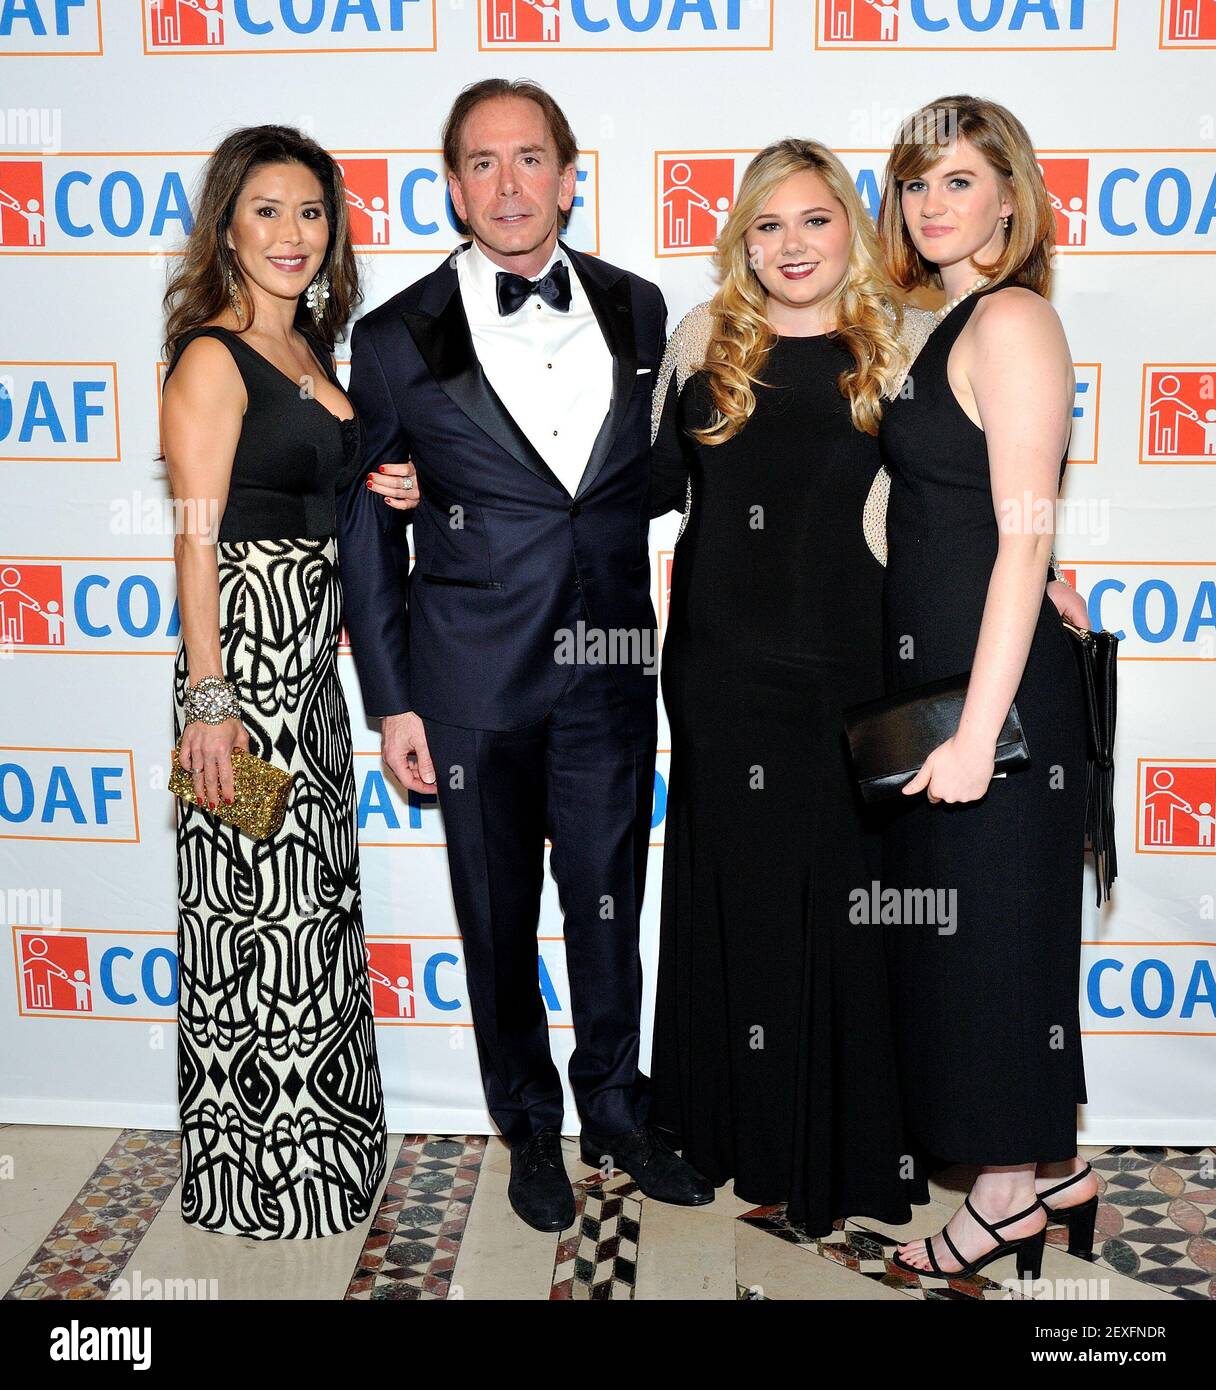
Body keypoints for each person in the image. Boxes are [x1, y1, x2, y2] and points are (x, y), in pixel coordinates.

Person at [336, 79, 711, 1233]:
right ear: (451, 184)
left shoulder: (639, 306)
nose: (509, 184)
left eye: (530, 158)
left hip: (607, 672)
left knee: (608, 905)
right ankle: (528, 1126)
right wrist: (393, 702)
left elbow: (649, 478)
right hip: (469, 686)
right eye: (483, 163)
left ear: (567, 171)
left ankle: (615, 1105)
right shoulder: (394, 337)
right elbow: (365, 522)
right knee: (496, 921)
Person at [875, 95, 1097, 1279]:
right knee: (979, 942)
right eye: (915, 183)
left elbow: (1016, 536)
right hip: (968, 686)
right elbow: (989, 515)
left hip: (994, 704)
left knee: (996, 946)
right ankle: (1057, 1173)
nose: (931, 204)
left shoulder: (1010, 318)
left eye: (959, 180)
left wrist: (974, 730)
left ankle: (1006, 1195)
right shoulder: (952, 317)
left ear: (1011, 195)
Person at [161, 125, 393, 1238]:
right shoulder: (212, 354)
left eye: (310, 212)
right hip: (243, 677)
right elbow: (197, 538)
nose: (292, 233)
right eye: (267, 209)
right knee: (250, 918)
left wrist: (383, 478)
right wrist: (212, 707)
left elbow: (323, 480)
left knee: (313, 913)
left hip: (310, 677)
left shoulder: (309, 351)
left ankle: (325, 1158)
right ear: (227, 225)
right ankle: (256, 1174)